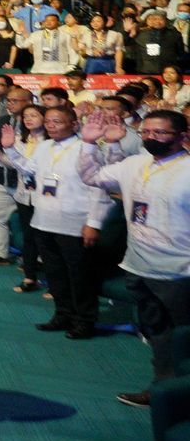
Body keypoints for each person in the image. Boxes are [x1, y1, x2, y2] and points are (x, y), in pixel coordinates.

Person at [78, 106, 190, 408]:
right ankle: (163, 389)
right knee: (158, 335)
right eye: (147, 132)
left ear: (183, 136)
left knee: (184, 339)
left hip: (180, 272)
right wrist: (92, 142)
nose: (152, 137)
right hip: (138, 266)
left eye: (161, 132)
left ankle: (179, 394)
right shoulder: (136, 163)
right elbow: (92, 176)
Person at [0, 104, 106, 339]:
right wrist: (10, 148)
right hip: (44, 220)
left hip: (75, 222)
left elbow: (98, 189)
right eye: (49, 122)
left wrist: (94, 222)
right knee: (55, 273)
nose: (51, 126)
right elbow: (28, 169)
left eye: (58, 122)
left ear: (74, 124)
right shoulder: (44, 146)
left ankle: (84, 320)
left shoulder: (86, 148)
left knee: (79, 275)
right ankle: (62, 315)